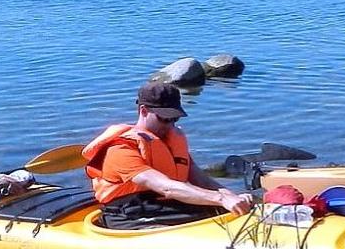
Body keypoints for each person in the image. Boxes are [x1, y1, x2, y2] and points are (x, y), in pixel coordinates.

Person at [83, 81, 252, 230]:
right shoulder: (120, 148)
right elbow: (165, 187)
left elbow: (201, 180)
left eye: (174, 119)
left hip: (165, 206)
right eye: (164, 118)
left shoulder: (171, 141)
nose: (170, 125)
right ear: (144, 110)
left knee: (226, 210)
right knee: (217, 209)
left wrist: (231, 196)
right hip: (128, 214)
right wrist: (220, 199)